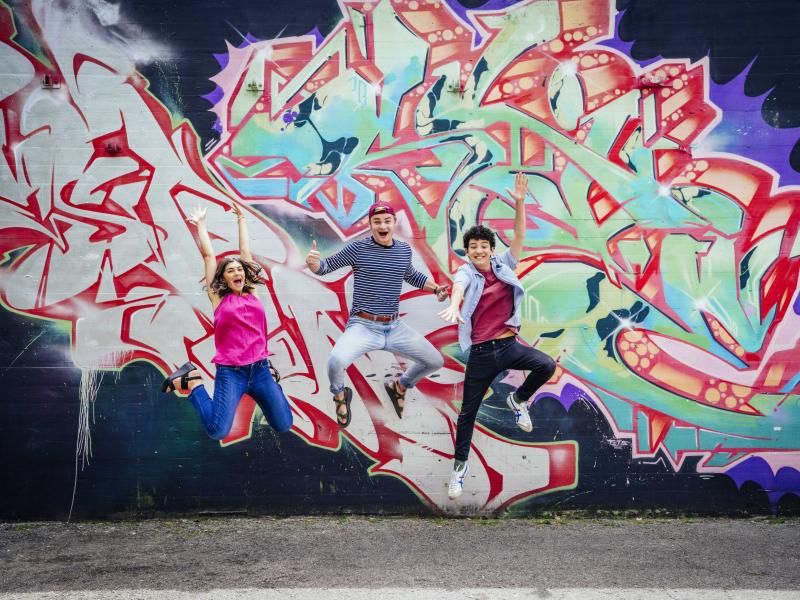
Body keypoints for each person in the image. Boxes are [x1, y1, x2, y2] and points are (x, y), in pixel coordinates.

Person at [438, 173, 556, 499]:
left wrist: (519, 204)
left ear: (492, 250)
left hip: (508, 345)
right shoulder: (466, 271)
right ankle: (458, 470)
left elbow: (519, 234)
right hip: (481, 353)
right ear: (468, 251)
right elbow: (459, 285)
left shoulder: (504, 265)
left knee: (546, 365)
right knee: (468, 413)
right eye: (472, 247)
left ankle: (518, 400)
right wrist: (454, 303)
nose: (478, 251)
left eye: (483, 246)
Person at [306, 202, 449, 427]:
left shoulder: (403, 250)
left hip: (394, 327)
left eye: (387, 221)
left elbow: (411, 275)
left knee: (434, 361)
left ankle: (400, 386)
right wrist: (314, 265)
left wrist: (436, 289)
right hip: (363, 325)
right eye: (377, 221)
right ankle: (340, 395)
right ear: (370, 225)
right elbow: (325, 267)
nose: (382, 225)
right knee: (335, 361)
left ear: (394, 223)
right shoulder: (358, 249)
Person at [160, 203, 293, 440]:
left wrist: (241, 219)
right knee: (217, 430)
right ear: (223, 278)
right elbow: (208, 255)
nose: (236, 273)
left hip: (261, 370)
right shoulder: (218, 299)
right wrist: (201, 225)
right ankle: (193, 382)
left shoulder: (252, 291)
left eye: (239, 270)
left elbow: (245, 252)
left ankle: (272, 384)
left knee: (284, 424)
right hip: (232, 374)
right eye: (230, 271)